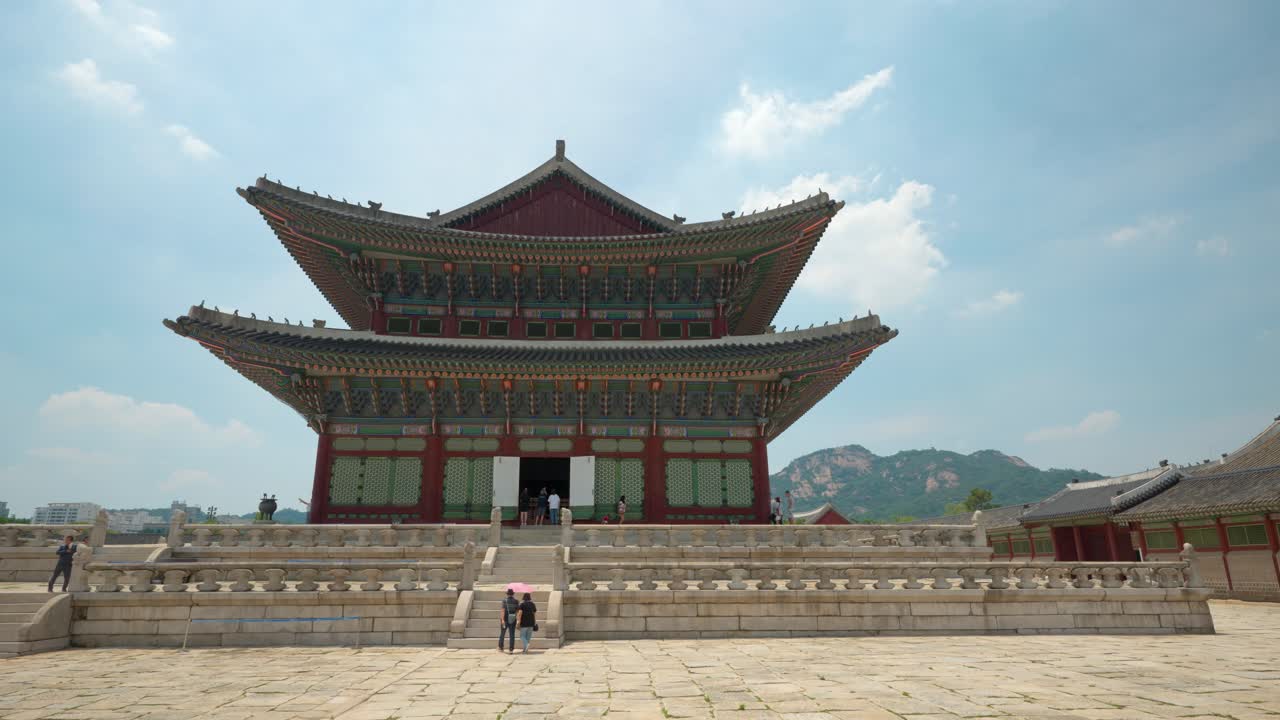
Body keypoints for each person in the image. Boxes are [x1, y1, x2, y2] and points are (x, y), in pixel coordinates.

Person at [498, 588, 519, 654]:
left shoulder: (505, 601)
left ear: (507, 594)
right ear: (513, 594)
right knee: (512, 634)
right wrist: (517, 619)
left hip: (505, 619)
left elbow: (503, 610)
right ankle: (511, 649)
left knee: (502, 633)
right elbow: (517, 611)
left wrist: (502, 620)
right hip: (513, 619)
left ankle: (501, 647)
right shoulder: (516, 601)